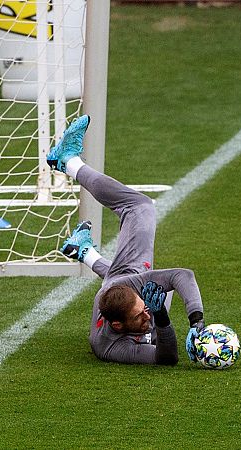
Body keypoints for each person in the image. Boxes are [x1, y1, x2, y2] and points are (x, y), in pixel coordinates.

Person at [46, 115, 205, 365]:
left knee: (138, 206)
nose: (147, 314)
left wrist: (196, 320)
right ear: (118, 325)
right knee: (139, 217)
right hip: (119, 280)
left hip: (125, 277)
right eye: (141, 314)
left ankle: (68, 161)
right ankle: (82, 249)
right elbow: (167, 359)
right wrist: (161, 316)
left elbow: (183, 275)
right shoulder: (108, 347)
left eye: (145, 309)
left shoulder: (136, 287)